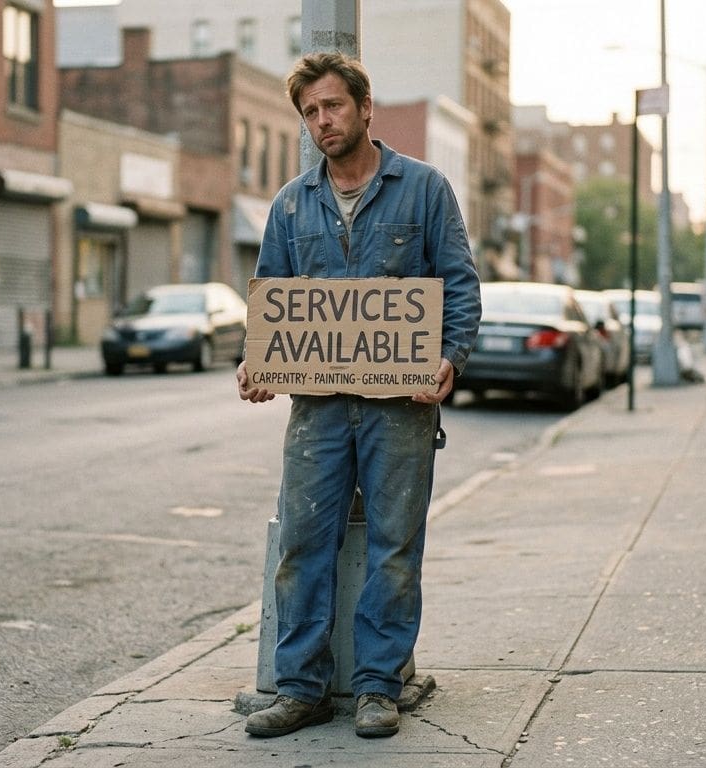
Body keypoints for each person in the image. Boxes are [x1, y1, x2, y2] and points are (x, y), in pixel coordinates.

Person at [236, 52, 481, 740]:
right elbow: (273, 304)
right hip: (316, 410)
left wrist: (448, 358)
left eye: (333, 106)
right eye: (311, 112)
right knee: (303, 544)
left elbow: (459, 286)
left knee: (394, 547)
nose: (323, 121)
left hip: (400, 408)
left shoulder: (424, 190)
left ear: (365, 108)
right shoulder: (291, 204)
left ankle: (378, 686)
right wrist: (255, 365)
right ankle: (301, 688)